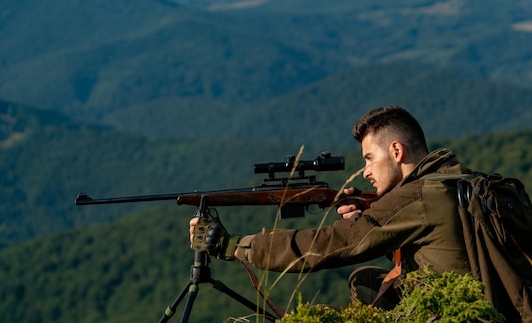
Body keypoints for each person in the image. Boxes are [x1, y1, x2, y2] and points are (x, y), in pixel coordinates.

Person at [190, 106, 472, 310]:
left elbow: (328, 245)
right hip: (485, 305)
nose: (365, 172)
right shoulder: (456, 179)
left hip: (460, 321)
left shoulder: (417, 197)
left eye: (369, 159)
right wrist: (369, 218)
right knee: (366, 281)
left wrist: (233, 246)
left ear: (397, 151)